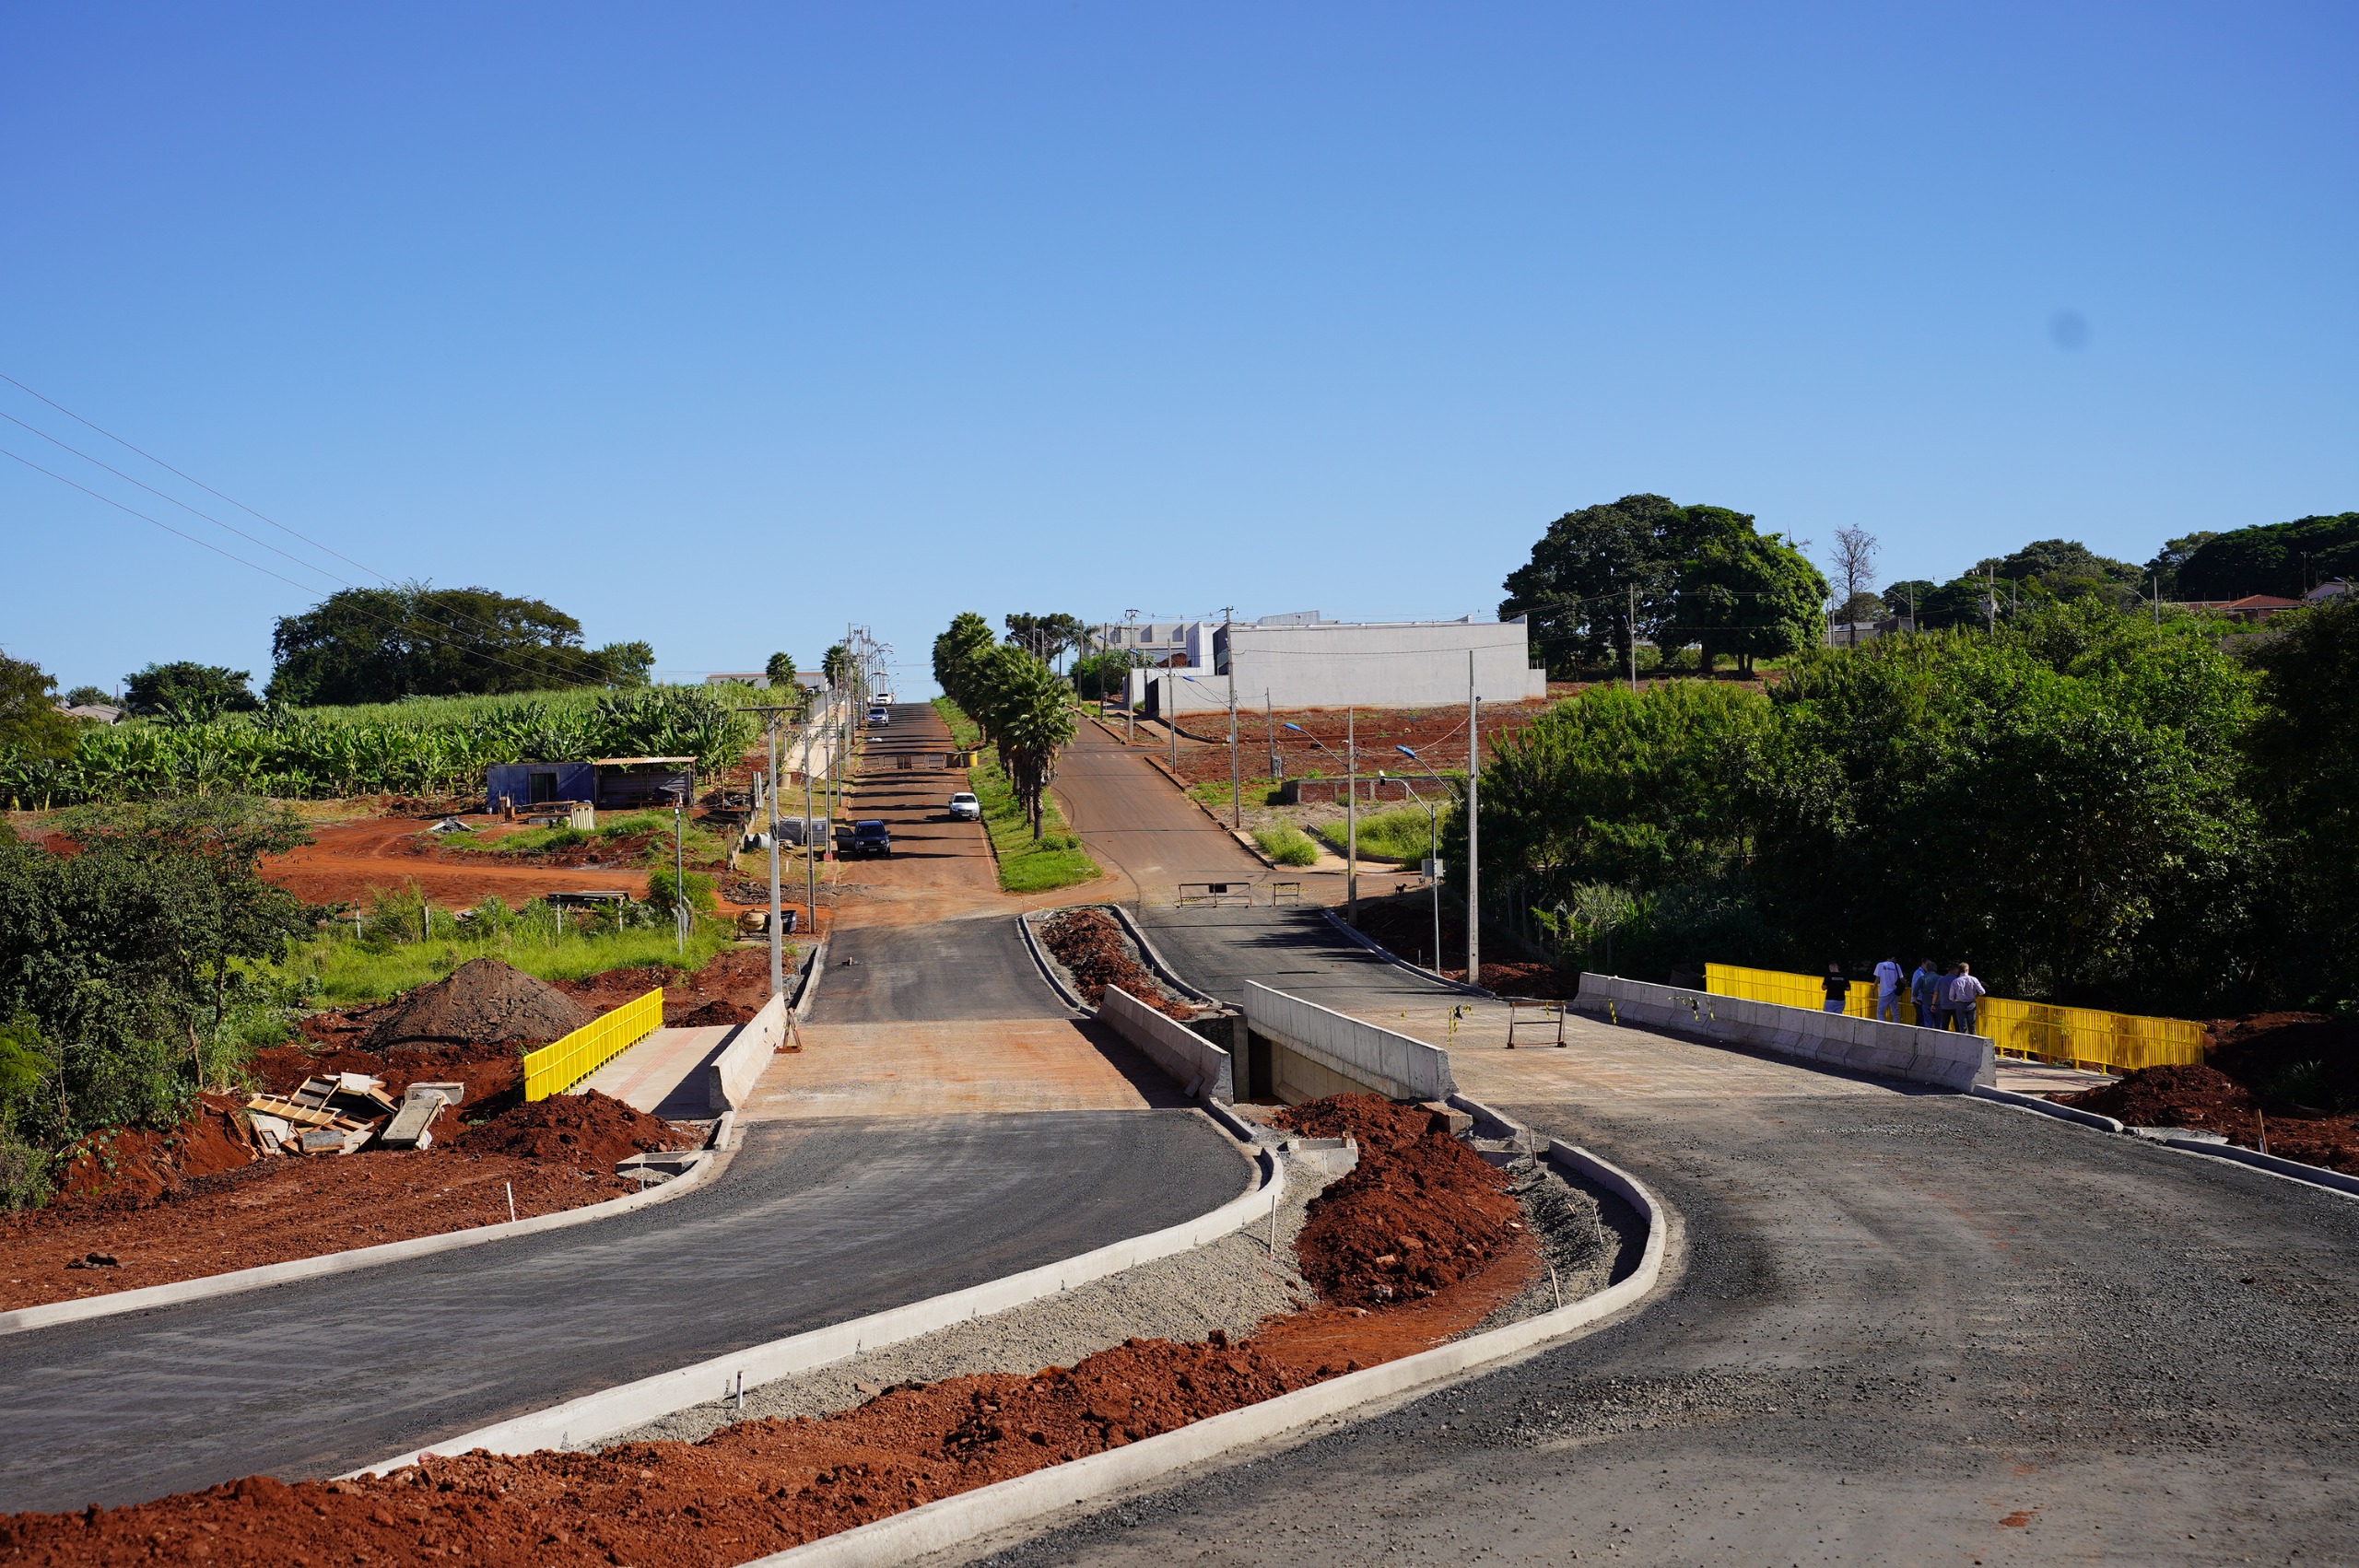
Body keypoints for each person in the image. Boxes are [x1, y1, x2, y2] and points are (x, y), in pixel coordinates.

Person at [1945, 961, 1987, 1035]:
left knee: (1962, 1027)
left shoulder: (1955, 981)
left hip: (1960, 1004)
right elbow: (1982, 992)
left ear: (1959, 970)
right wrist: (1976, 995)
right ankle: (1973, 1043)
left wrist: (1956, 1000)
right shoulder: (1973, 979)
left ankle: (1964, 1043)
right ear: (1967, 970)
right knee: (1972, 1026)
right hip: (1971, 1003)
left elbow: (1951, 997)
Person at [1908, 957, 1942, 1029]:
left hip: (1925, 1001)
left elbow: (1915, 989)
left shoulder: (1923, 977)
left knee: (1927, 1022)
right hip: (1937, 1002)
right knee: (1938, 1022)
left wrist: (1915, 998)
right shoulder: (1940, 978)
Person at [1872, 954, 1905, 1023]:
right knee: (1895, 1012)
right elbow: (1902, 979)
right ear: (1892, 957)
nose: (1895, 960)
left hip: (1884, 992)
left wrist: (1873, 989)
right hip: (1895, 991)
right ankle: (1896, 1027)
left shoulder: (1880, 965)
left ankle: (1883, 1028)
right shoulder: (1896, 965)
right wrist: (1906, 985)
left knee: (1880, 1013)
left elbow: (1877, 979)